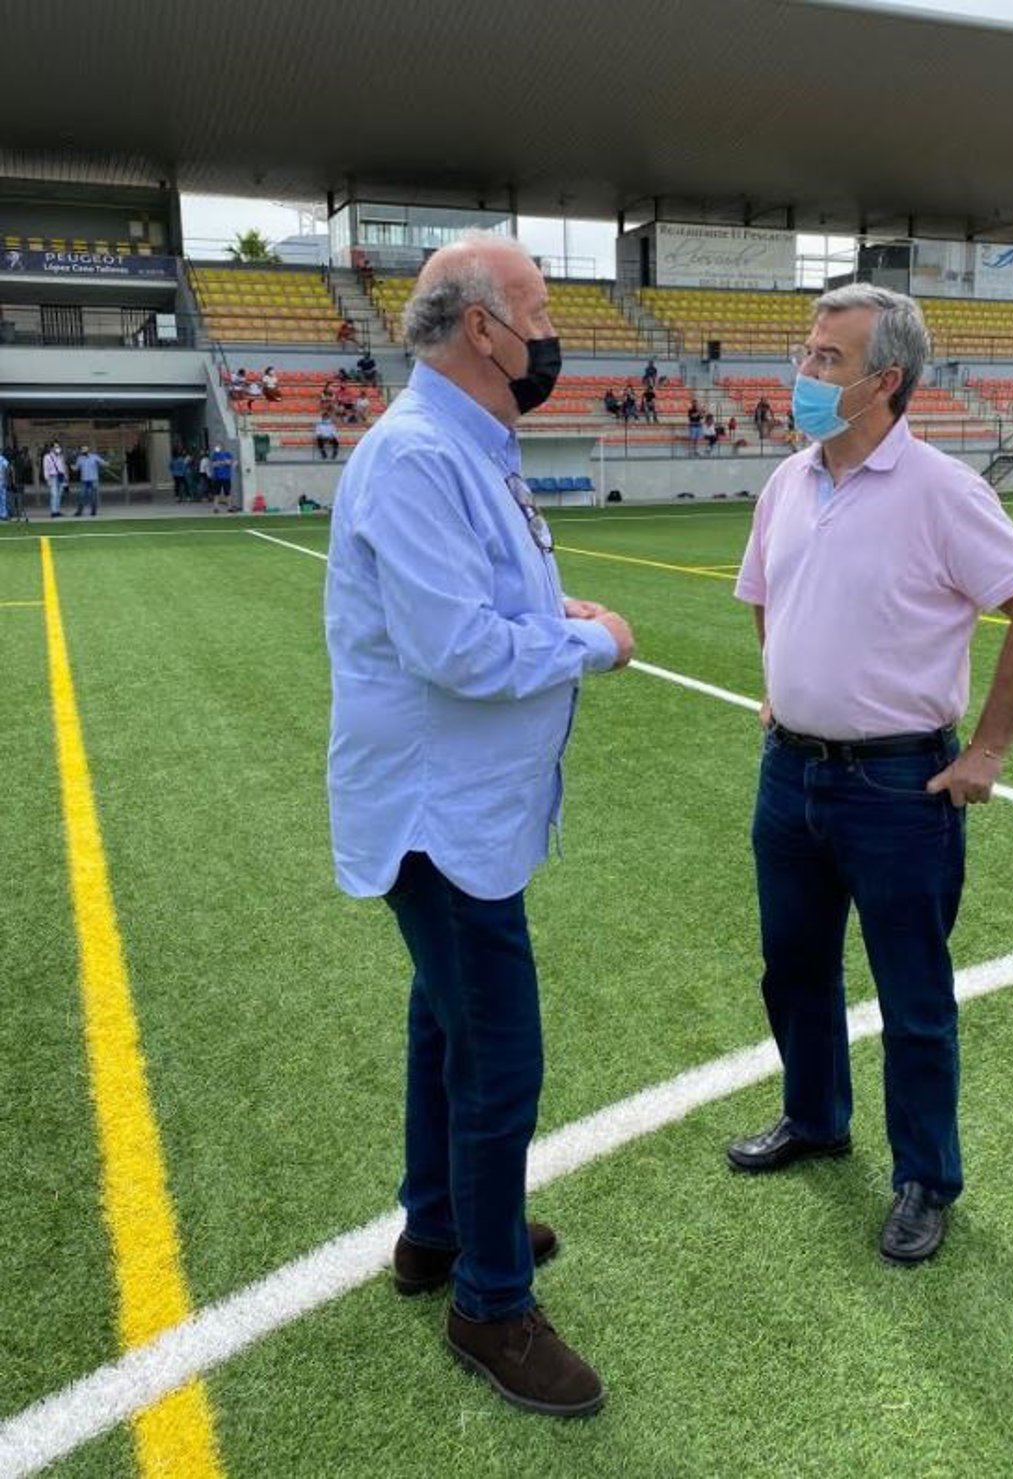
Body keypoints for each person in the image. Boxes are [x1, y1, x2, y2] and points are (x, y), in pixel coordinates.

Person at [325, 234, 634, 1419]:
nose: (551, 335)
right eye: (539, 312)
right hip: (437, 812)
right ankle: (490, 1304)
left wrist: (552, 609)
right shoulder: (418, 456)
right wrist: (593, 641)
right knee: (499, 1053)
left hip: (462, 807)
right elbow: (455, 649)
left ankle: (441, 1229)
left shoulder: (467, 445)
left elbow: (478, 600)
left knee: (445, 1025)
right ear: (480, 330)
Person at [728, 285, 1013, 1266]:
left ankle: (925, 1177)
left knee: (913, 996)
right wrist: (784, 686)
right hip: (790, 777)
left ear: (885, 381)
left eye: (826, 358)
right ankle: (815, 1118)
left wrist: (987, 752)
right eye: (806, 352)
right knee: (793, 968)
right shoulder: (788, 481)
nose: (804, 372)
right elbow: (765, 595)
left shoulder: (942, 491)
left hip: (897, 788)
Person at [72, 444, 109, 517]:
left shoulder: (94, 457)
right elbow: (76, 468)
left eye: (85, 449)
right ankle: (79, 512)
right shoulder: (79, 458)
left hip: (93, 479)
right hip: (84, 480)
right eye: (82, 449)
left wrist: (106, 463)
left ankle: (93, 511)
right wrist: (73, 468)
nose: (84, 450)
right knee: (82, 496)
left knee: (93, 496)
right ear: (81, 451)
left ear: (88, 449)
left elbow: (102, 462)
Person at [43, 441, 68, 517]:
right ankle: (54, 511)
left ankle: (57, 510)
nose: (58, 448)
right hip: (52, 476)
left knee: (59, 494)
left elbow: (63, 467)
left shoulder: (60, 456)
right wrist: (47, 478)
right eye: (56, 447)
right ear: (52, 448)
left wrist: (65, 477)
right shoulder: (47, 457)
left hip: (60, 476)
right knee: (54, 494)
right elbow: (46, 468)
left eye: (58, 447)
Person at [208, 442, 235, 512]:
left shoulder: (227, 453)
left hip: (226, 477)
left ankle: (229, 507)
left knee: (227, 492)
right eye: (216, 446)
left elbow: (230, 462)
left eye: (218, 446)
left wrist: (221, 462)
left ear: (222, 447)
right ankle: (216, 508)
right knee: (216, 493)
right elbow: (214, 464)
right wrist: (223, 462)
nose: (217, 447)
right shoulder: (214, 455)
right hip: (217, 477)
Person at [0, 447, 10, 521]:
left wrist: (6, 479)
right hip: (2, 480)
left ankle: (3, 514)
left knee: (3, 498)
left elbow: (7, 469)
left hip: (1, 480)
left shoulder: (2, 459)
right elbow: (7, 468)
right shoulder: (2, 459)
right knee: (3, 498)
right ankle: (3, 514)